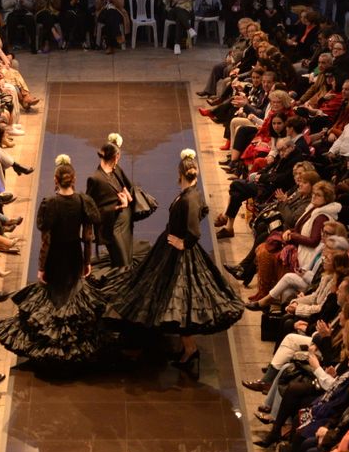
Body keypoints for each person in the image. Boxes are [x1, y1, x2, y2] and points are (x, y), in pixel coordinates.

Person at [101, 149, 243, 368]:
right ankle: (186, 349)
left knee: (179, 298)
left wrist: (183, 242)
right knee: (171, 296)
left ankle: (189, 350)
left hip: (178, 254)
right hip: (169, 247)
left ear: (180, 174)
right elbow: (203, 211)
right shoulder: (191, 193)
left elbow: (194, 231)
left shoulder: (189, 198)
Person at [0, 155, 108, 364]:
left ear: (56, 180)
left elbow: (46, 241)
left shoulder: (50, 203)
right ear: (73, 180)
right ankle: (71, 349)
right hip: (74, 254)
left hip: (55, 256)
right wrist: (87, 261)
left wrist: (41, 267)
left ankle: (51, 349)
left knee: (53, 298)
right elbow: (87, 236)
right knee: (71, 296)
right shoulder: (84, 201)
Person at [84, 135, 135, 267]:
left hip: (125, 223)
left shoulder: (116, 169)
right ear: (115, 157)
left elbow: (127, 187)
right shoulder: (95, 179)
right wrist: (116, 208)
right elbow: (89, 208)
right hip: (112, 226)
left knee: (127, 259)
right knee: (121, 262)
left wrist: (127, 199)